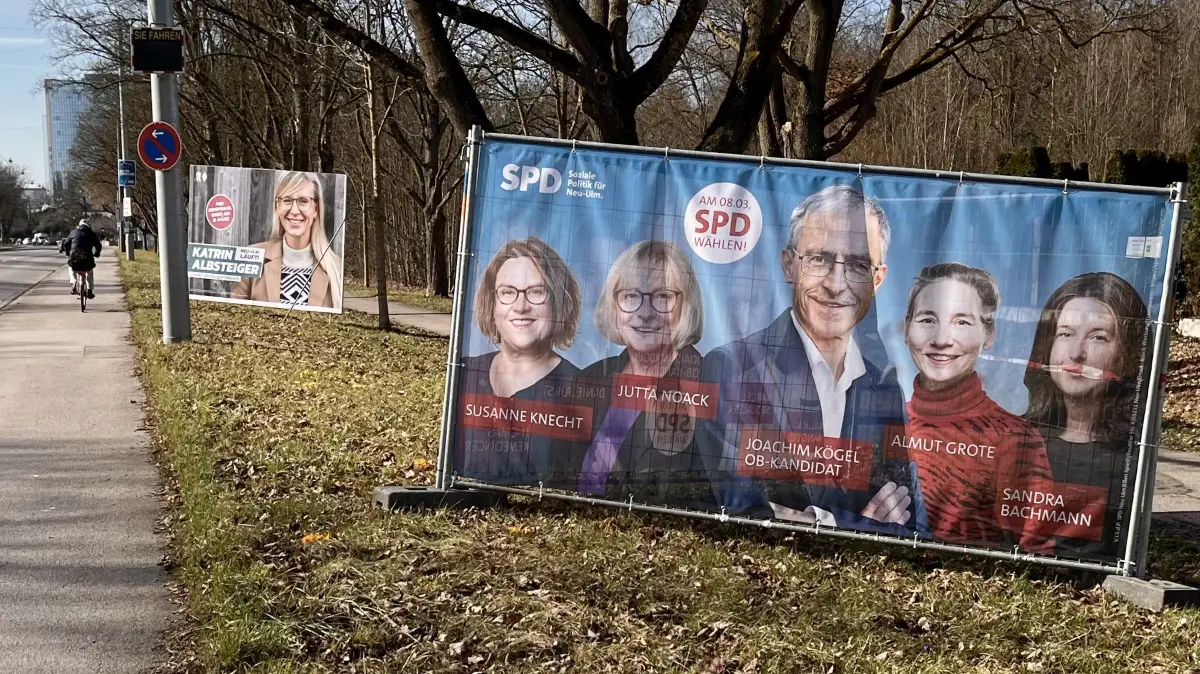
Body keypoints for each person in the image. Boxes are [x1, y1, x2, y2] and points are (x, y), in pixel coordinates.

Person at [698, 184, 914, 532]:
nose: (836, 284)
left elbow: (907, 522)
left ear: (877, 280)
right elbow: (742, 509)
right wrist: (855, 525)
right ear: (789, 265)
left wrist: (802, 518)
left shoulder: (885, 391)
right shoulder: (730, 368)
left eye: (858, 265)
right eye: (820, 259)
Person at [901, 262, 1053, 550]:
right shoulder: (884, 421)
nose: (941, 340)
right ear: (907, 329)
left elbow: (1037, 551)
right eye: (928, 319)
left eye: (962, 322)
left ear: (989, 335)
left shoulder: (1015, 438)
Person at [574, 240, 715, 508]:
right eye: (631, 296)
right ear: (614, 304)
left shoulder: (709, 384)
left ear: (687, 305)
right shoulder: (588, 379)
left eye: (663, 297)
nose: (645, 313)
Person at [1024, 272, 1149, 558]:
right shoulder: (1017, 440)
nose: (1076, 353)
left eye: (1098, 338)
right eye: (1065, 334)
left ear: (1127, 354)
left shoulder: (1132, 454)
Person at [458, 237, 585, 486]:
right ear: (491, 304)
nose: (520, 306)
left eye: (536, 292)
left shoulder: (583, 390)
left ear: (559, 302)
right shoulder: (464, 372)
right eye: (507, 292)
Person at [232, 171, 343, 309]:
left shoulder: (336, 268)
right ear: (277, 207)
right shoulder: (251, 257)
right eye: (287, 200)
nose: (294, 211)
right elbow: (234, 314)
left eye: (303, 201)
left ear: (316, 209)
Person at [61, 220, 102, 299]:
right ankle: (90, 290)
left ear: (79, 225)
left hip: (74, 258)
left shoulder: (73, 232)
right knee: (89, 272)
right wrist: (97, 254)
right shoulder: (92, 234)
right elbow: (98, 246)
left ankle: (74, 283)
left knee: (71, 267)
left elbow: (66, 243)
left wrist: (67, 253)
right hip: (87, 258)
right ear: (88, 226)